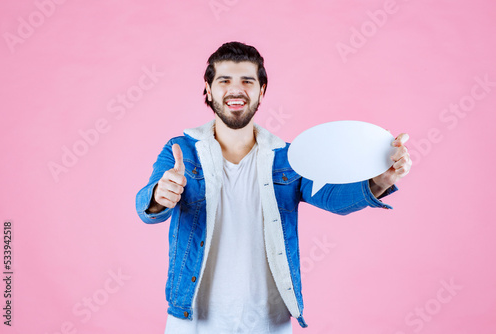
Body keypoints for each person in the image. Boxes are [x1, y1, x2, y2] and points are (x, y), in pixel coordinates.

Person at [135, 41, 412, 333]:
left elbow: (333, 199)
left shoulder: (288, 158)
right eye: (224, 80)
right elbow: (147, 207)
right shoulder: (180, 150)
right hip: (191, 320)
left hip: (270, 321)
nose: (235, 89)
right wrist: (159, 196)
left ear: (261, 91)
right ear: (208, 89)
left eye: (247, 81)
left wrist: (382, 180)